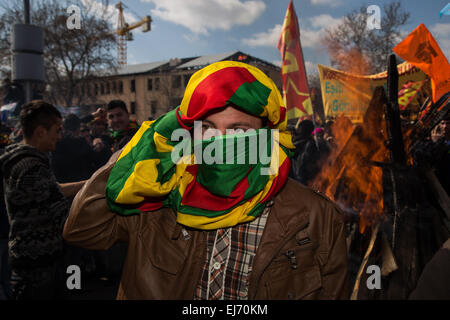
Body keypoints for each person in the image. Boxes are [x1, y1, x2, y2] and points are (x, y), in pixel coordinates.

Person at [63, 61, 348, 300]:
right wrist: (136, 154)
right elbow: (83, 231)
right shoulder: (158, 192)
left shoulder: (316, 216)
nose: (220, 143)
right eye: (208, 128)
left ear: (266, 135)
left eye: (238, 130)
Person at [0, 100, 85, 299]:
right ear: (41, 131)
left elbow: (53, 190)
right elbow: (61, 216)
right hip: (38, 267)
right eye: (56, 130)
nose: (60, 135)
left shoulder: (21, 161)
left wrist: (88, 184)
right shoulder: (32, 167)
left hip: (28, 262)